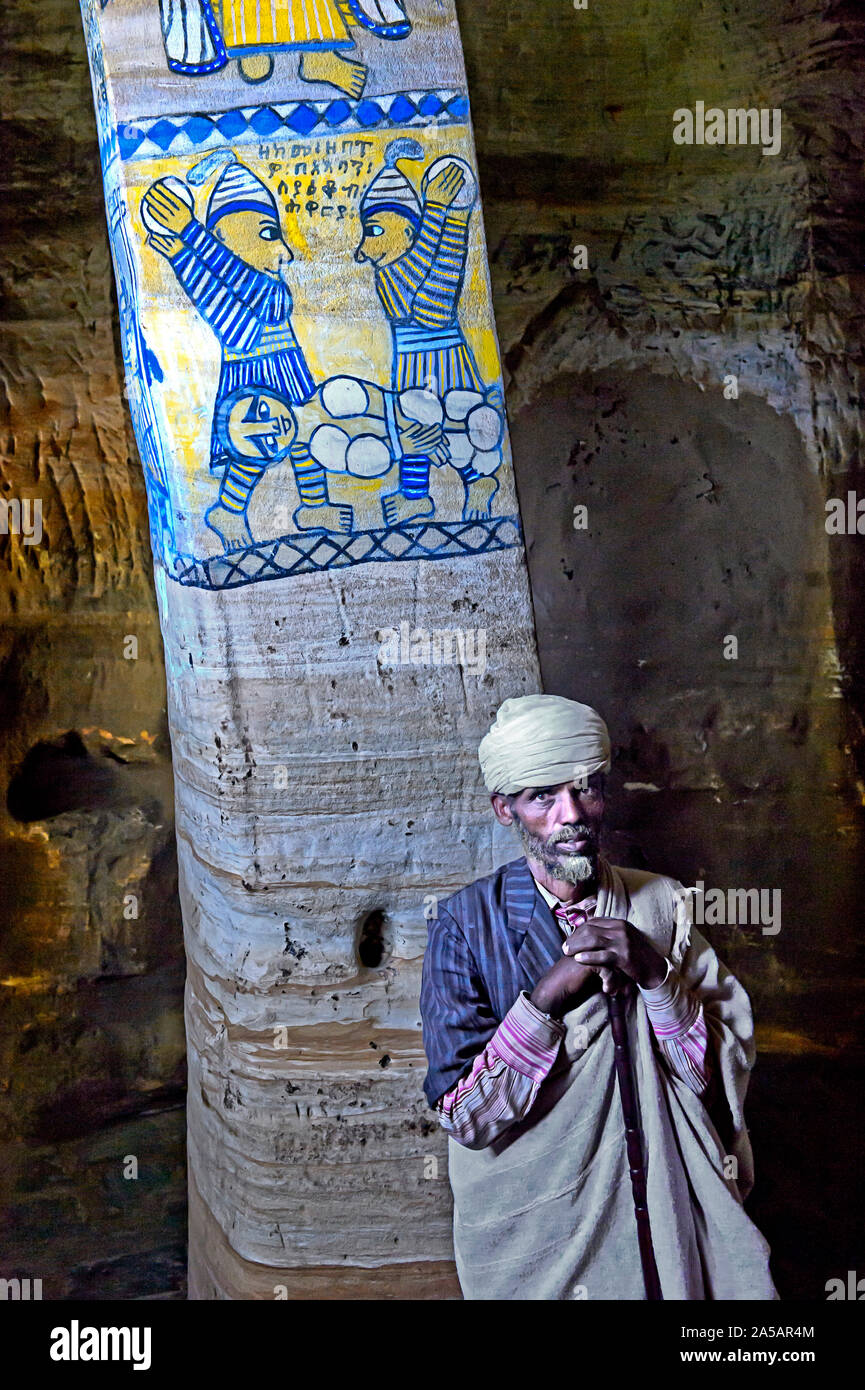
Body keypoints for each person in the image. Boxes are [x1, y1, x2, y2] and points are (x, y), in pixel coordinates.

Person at [420, 693, 778, 1300]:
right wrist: (543, 1004)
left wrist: (656, 976)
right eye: (543, 796)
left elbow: (715, 1080)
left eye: (586, 789)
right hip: (537, 1236)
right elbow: (465, 1117)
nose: (572, 815)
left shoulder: (661, 904)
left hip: (658, 1218)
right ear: (504, 809)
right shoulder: (464, 925)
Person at [142, 153, 352, 547]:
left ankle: (313, 505)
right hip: (251, 375)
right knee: (250, 450)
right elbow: (226, 311)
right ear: (224, 238)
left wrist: (189, 238)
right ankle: (229, 510)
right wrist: (182, 250)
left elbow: (254, 297)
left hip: (284, 367)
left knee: (306, 433)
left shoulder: (271, 290)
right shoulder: (259, 290)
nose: (286, 253)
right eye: (269, 233)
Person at [355, 140, 501, 525]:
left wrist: (450, 214)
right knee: (418, 428)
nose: (362, 249)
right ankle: (416, 496)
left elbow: (439, 282)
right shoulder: (388, 276)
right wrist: (443, 212)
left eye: (374, 231)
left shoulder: (402, 264)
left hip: (443, 354)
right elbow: (427, 284)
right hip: (423, 357)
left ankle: (477, 480)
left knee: (458, 420)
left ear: (408, 232)